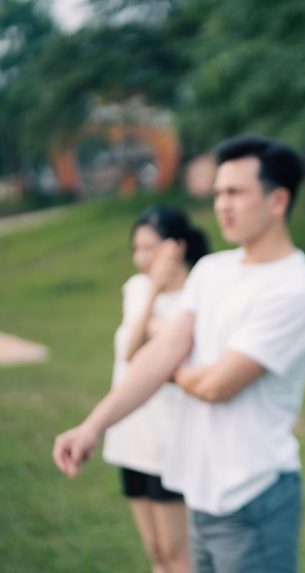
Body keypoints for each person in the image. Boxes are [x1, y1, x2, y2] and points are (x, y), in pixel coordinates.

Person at [53, 135, 305, 573]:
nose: (222, 205)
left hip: (254, 498)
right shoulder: (211, 270)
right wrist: (92, 426)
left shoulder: (295, 289)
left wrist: (174, 366)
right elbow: (159, 353)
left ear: (278, 200)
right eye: (218, 193)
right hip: (198, 492)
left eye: (235, 192)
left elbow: (217, 386)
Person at [102, 205, 208, 573]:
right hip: (131, 436)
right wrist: (152, 296)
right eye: (137, 248)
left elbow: (135, 353)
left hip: (171, 440)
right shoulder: (136, 289)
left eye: (150, 248)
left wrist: (156, 301)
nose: (141, 258)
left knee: (179, 555)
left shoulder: (197, 297)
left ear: (176, 246)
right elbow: (132, 350)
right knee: (157, 552)